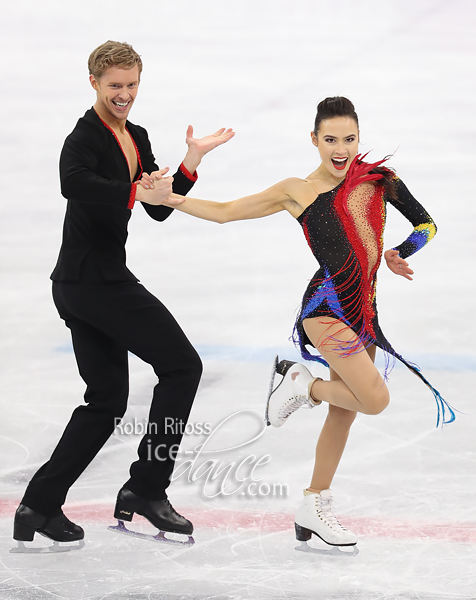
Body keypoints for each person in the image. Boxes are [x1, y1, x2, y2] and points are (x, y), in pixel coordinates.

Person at [140, 96, 454, 548]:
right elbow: (228, 211)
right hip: (324, 310)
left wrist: (398, 253)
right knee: (376, 399)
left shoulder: (379, 180)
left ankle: (314, 504)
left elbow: (427, 225)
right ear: (314, 140)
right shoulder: (298, 190)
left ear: (359, 137)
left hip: (364, 311)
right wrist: (169, 198)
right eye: (330, 139)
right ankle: (300, 386)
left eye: (349, 138)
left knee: (345, 414)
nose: (340, 148)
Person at [12, 40, 234, 549]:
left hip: (84, 282)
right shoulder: (83, 137)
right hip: (94, 282)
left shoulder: (136, 135)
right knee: (183, 366)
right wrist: (134, 190)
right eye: (115, 86)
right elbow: (75, 184)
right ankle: (147, 488)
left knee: (107, 399)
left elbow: (156, 206)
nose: (125, 95)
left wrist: (188, 164)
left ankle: (38, 505)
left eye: (132, 85)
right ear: (94, 82)